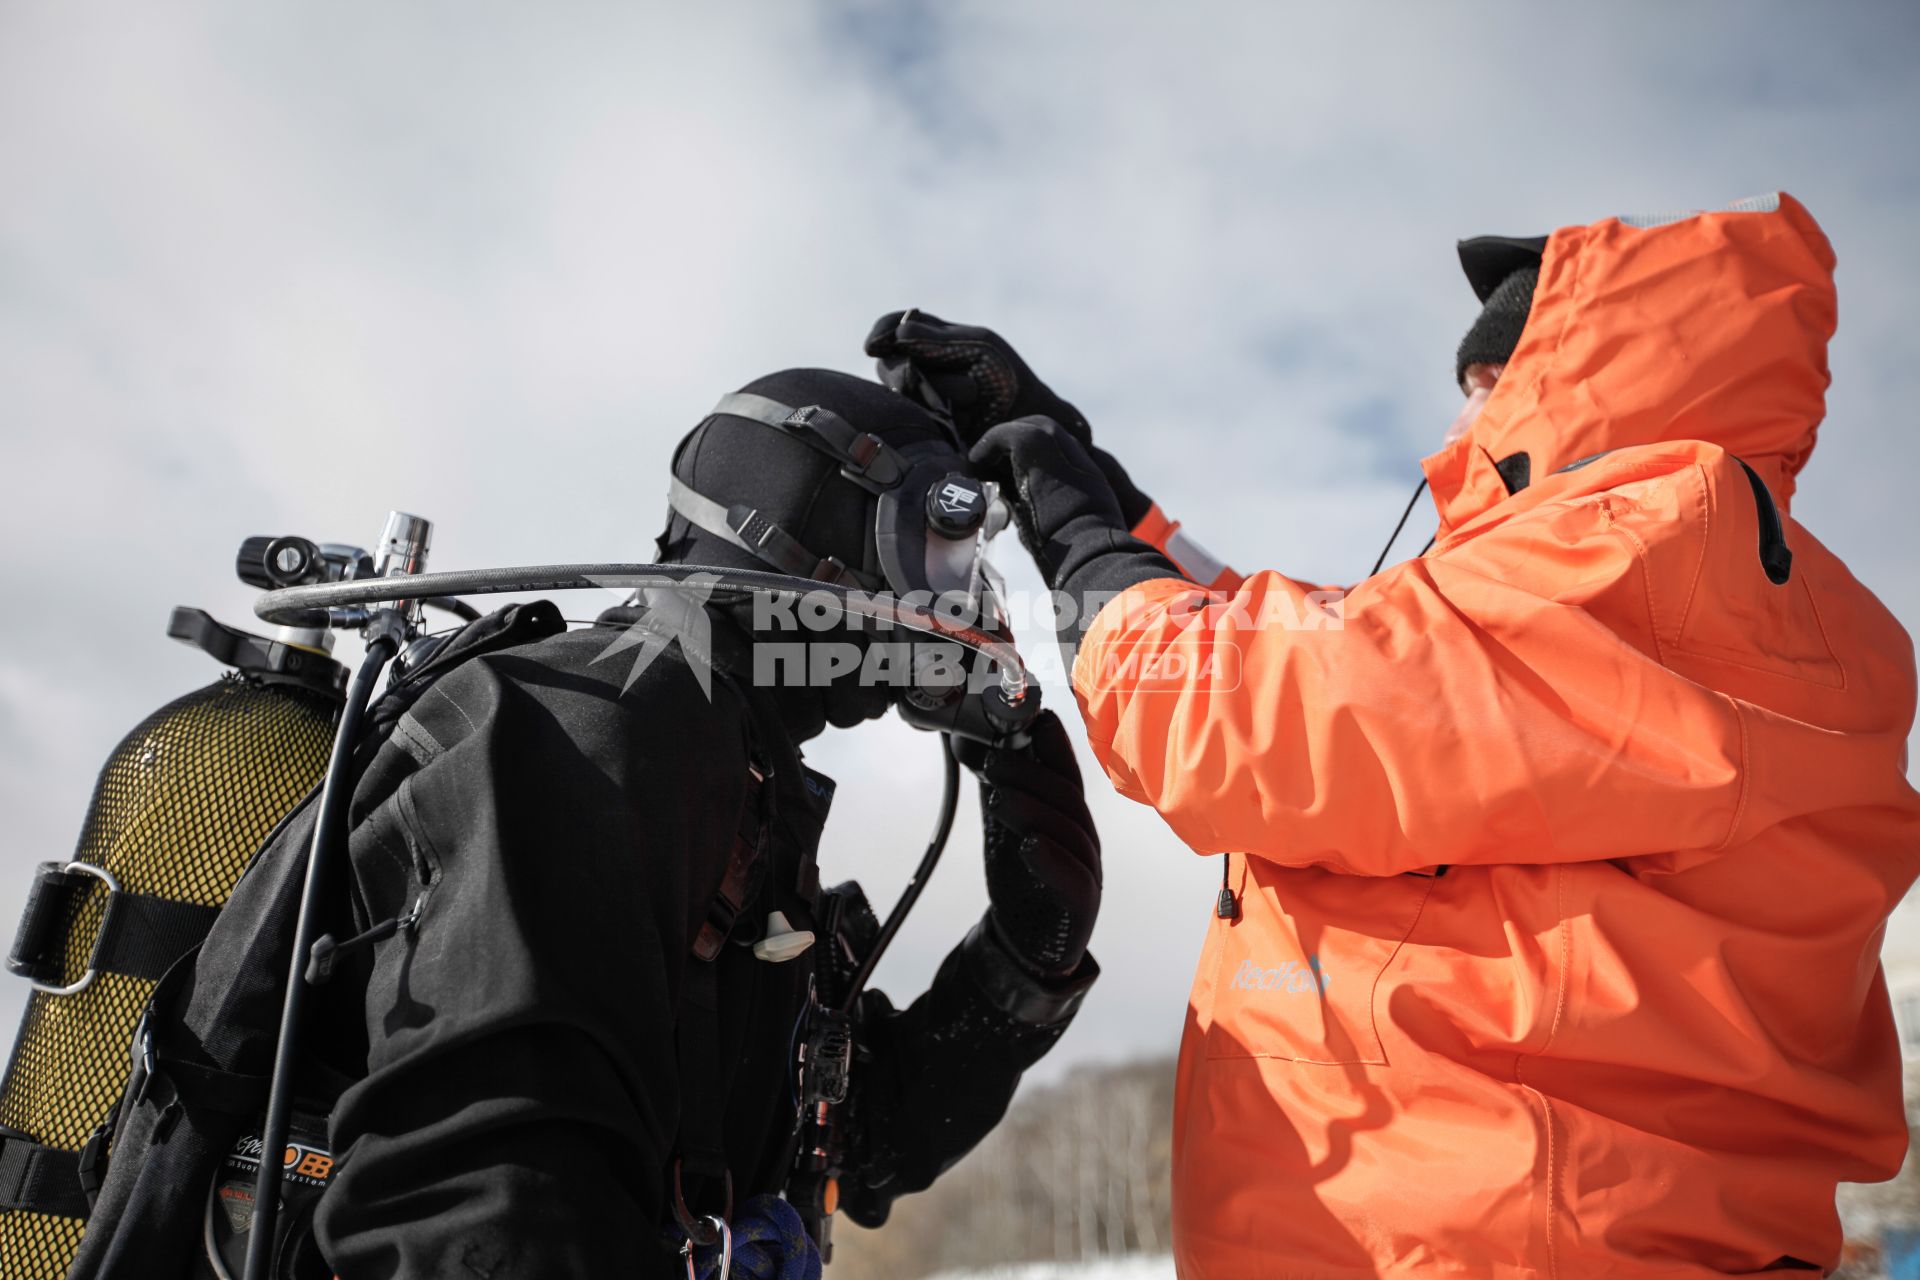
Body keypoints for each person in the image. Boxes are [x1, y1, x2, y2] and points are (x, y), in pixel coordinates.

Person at [867, 191, 1920, 1277]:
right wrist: (1094, 476)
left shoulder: (1651, 549)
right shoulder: (1705, 583)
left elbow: (1240, 702)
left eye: (1485, 390)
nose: (1458, 433)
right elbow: (1342, 656)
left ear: (1593, 383)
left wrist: (1082, 537)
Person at [70, 368, 1101, 1279]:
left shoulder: (742, 795)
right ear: (808, 523)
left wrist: (1022, 961)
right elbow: (486, 1213)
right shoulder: (582, 734)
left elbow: (844, 1151)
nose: (962, 597)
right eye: (936, 539)